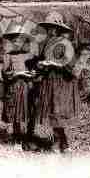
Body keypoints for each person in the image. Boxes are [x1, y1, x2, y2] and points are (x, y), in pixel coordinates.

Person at [25, 12, 80, 153]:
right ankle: (64, 145)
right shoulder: (48, 43)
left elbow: (73, 67)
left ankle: (57, 145)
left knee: (57, 113)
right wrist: (38, 68)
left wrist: (53, 64)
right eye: (49, 27)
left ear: (59, 28)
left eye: (53, 27)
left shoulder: (65, 43)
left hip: (62, 83)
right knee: (52, 113)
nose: (51, 30)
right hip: (50, 82)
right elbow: (41, 60)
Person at [1, 25, 37, 147]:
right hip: (15, 87)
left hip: (28, 87)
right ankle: (17, 138)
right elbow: (5, 73)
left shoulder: (29, 55)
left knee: (29, 112)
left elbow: (35, 70)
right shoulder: (8, 55)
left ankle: (29, 137)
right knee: (16, 112)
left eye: (20, 39)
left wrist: (33, 73)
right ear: (11, 41)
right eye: (14, 39)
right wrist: (17, 73)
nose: (17, 42)